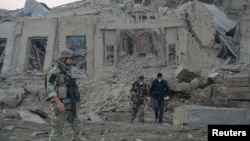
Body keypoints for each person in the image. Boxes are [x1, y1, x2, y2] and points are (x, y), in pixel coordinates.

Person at [47, 48, 82, 141]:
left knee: (77, 125)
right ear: (63, 59)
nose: (71, 61)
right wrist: (58, 103)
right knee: (57, 132)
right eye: (70, 59)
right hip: (60, 106)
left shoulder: (67, 71)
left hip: (70, 105)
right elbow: (50, 87)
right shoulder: (54, 71)